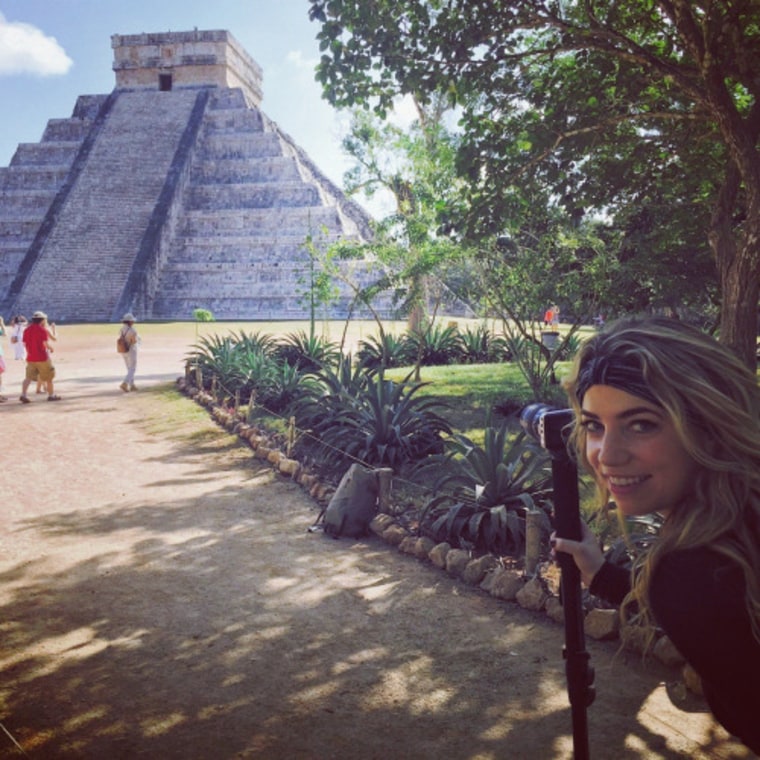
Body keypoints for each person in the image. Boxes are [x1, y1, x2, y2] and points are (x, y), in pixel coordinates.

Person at [553, 315, 760, 754]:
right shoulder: (734, 521)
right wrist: (601, 575)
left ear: (707, 426)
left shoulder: (695, 570)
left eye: (641, 423)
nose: (606, 455)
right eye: (594, 424)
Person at [20, 310, 60, 403]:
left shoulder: (27, 329)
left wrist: (29, 352)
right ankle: (51, 395)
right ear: (42, 320)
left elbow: (25, 344)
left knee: (28, 377)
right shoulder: (42, 330)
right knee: (49, 376)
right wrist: (51, 348)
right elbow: (44, 343)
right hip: (42, 357)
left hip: (30, 357)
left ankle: (23, 394)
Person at [118, 313, 139, 392]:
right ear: (130, 322)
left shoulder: (121, 329)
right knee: (132, 368)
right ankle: (125, 383)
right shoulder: (132, 330)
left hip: (123, 350)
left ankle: (132, 385)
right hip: (131, 350)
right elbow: (134, 341)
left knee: (129, 368)